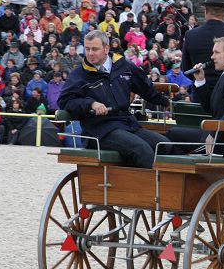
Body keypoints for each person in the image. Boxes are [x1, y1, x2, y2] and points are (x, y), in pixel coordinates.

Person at [58, 30, 171, 168]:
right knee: (141, 149)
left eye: (95, 49)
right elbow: (65, 101)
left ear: (106, 48)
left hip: (127, 123)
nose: (90, 53)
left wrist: (164, 102)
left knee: (165, 146)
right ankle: (151, 188)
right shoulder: (79, 74)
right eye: (87, 49)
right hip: (99, 130)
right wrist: (90, 104)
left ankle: (167, 185)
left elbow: (145, 87)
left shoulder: (123, 65)